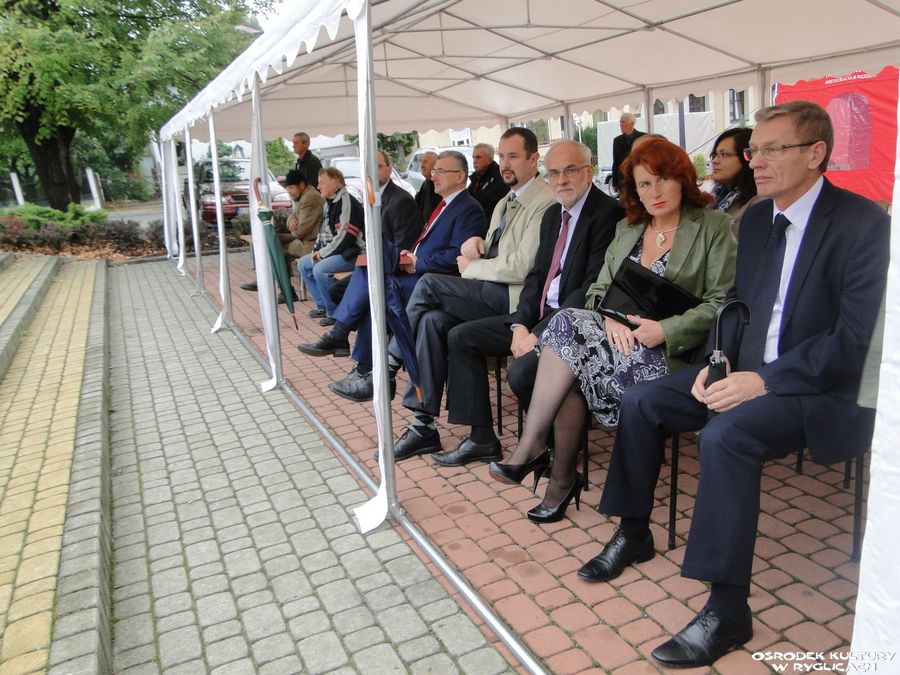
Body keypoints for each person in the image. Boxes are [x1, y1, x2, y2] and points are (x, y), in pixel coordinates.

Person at [581, 101, 889, 669]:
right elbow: (738, 308)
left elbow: (853, 340)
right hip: (746, 370)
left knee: (726, 437)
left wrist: (763, 381)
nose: (756, 161)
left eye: (772, 149)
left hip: (817, 389)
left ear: (816, 154)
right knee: (644, 399)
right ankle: (634, 531)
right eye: (754, 150)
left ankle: (727, 610)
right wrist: (716, 363)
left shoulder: (864, 223)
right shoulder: (759, 217)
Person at [489, 137, 737, 526]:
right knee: (567, 339)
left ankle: (545, 461)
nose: (654, 192)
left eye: (662, 179)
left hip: (670, 354)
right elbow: (597, 292)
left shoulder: (713, 226)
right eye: (644, 184)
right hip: (615, 342)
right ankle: (555, 473)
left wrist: (665, 330)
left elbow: (721, 302)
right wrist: (611, 317)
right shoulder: (628, 228)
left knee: (565, 349)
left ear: (682, 178)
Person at [433, 140, 623, 467]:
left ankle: (560, 447)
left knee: (520, 373)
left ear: (589, 172)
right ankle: (482, 439)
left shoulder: (607, 214)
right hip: (538, 317)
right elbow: (536, 277)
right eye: (554, 173)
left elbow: (591, 288)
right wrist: (521, 325)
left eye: (570, 171)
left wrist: (540, 333)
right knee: (461, 336)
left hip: (574, 325)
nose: (561, 180)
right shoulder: (553, 215)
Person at [387, 128, 557, 461]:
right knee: (433, 321)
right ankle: (436, 429)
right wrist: (479, 244)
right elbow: (494, 249)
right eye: (502, 156)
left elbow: (522, 267)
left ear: (534, 159)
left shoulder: (545, 202)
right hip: (491, 291)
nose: (504, 164)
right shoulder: (505, 201)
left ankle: (391, 361)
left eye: (513, 156)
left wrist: (471, 266)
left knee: (430, 284)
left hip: (516, 300)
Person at [298, 151, 487, 399]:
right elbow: (427, 244)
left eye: (441, 171)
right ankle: (359, 363)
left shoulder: (468, 208)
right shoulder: (444, 205)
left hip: (435, 284)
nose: (434, 176)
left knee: (376, 284)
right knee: (373, 283)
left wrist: (418, 262)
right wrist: (411, 254)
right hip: (418, 274)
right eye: (434, 171)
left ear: (460, 176)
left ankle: (348, 346)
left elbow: (457, 257)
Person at [238, 170, 324, 297]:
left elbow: (300, 231)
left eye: (291, 188)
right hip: (302, 238)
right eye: (288, 188)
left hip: (310, 243)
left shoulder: (309, 198)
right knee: (269, 240)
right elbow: (292, 214)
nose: (289, 191)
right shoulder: (302, 195)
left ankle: (280, 288)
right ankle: (282, 289)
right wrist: (292, 221)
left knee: (275, 247)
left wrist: (293, 225)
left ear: (301, 185)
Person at [297, 167, 364, 325]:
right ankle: (322, 306)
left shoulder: (346, 201)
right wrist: (316, 251)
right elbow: (323, 233)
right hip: (342, 251)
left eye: (322, 183)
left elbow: (346, 237)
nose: (318, 186)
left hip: (356, 253)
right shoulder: (329, 202)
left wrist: (323, 254)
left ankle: (334, 312)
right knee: (304, 264)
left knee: (320, 269)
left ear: (336, 182)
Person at [708, 127, 760, 235]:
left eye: (724, 155)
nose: (715, 161)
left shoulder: (758, 203)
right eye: (715, 155)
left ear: (746, 158)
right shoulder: (717, 197)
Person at [468, 143, 509, 219]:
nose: (475, 161)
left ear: (489, 159)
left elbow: (481, 201)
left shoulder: (499, 177)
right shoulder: (475, 178)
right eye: (473, 158)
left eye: (478, 157)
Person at [610, 112, 646, 192]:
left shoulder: (643, 137)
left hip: (640, 179)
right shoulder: (617, 141)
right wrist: (615, 183)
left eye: (623, 122)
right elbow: (616, 162)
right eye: (620, 122)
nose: (620, 124)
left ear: (632, 124)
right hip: (623, 182)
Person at [414, 151, 442, 225]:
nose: (422, 166)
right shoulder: (425, 184)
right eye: (421, 162)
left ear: (436, 164)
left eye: (425, 162)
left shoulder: (443, 185)